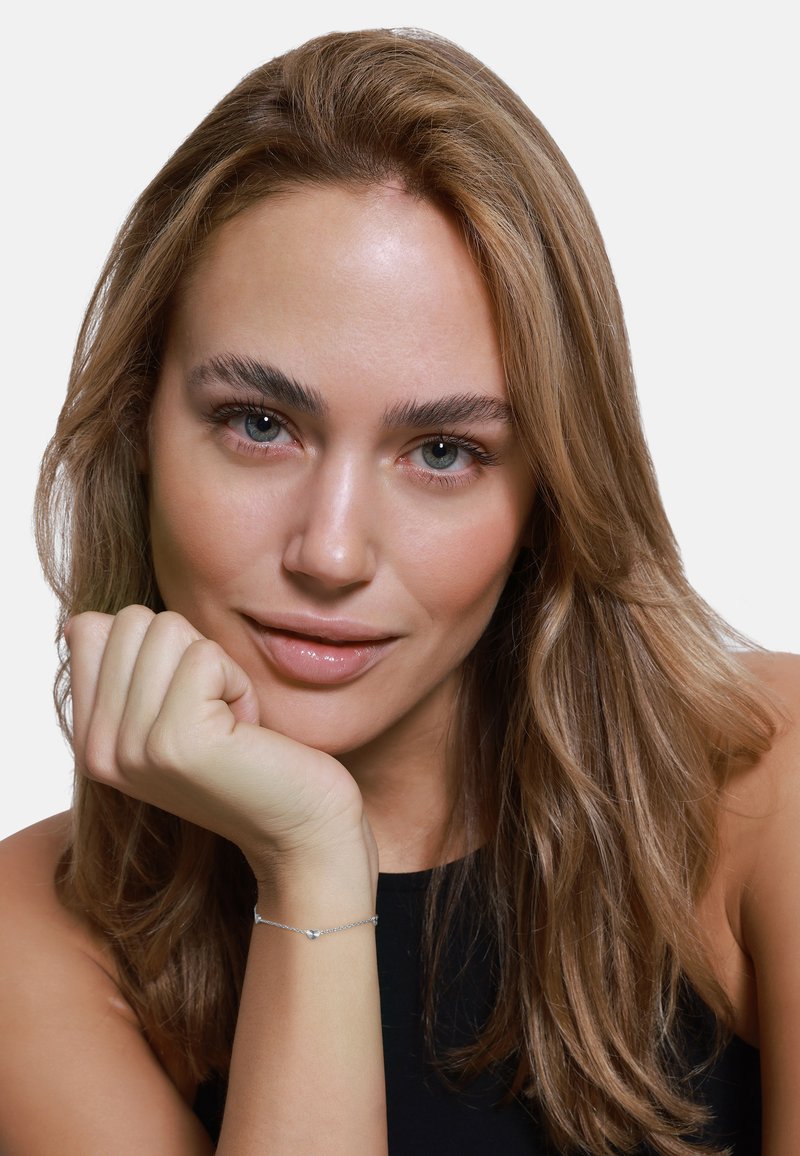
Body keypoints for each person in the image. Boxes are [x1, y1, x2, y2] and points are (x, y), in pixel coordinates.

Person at [0, 26, 796, 1155]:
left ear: (551, 488)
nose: (329, 553)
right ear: (136, 427)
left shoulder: (770, 785)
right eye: (259, 425)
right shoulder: (31, 933)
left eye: (440, 452)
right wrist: (311, 861)